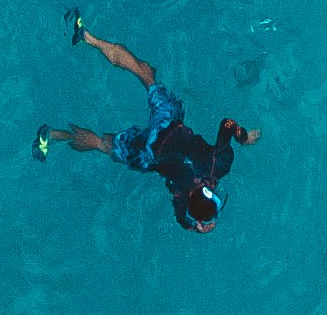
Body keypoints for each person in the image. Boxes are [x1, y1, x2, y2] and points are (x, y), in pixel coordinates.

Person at [35, 12, 258, 232]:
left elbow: (227, 124)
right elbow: (184, 222)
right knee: (103, 144)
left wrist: (243, 137)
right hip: (151, 154)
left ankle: (87, 37)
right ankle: (51, 135)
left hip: (168, 126)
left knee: (147, 76)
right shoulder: (182, 201)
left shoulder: (218, 165)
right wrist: (196, 227)